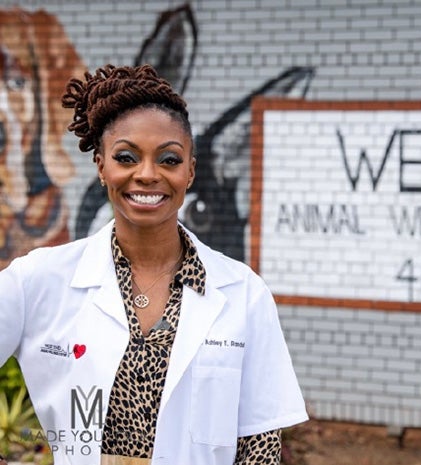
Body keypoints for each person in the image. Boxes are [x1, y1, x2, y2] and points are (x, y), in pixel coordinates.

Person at [0, 64, 308, 465]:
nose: (147, 175)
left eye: (169, 159)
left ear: (190, 172)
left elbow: (260, 444)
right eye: (126, 157)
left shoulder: (243, 294)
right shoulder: (37, 280)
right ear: (101, 167)